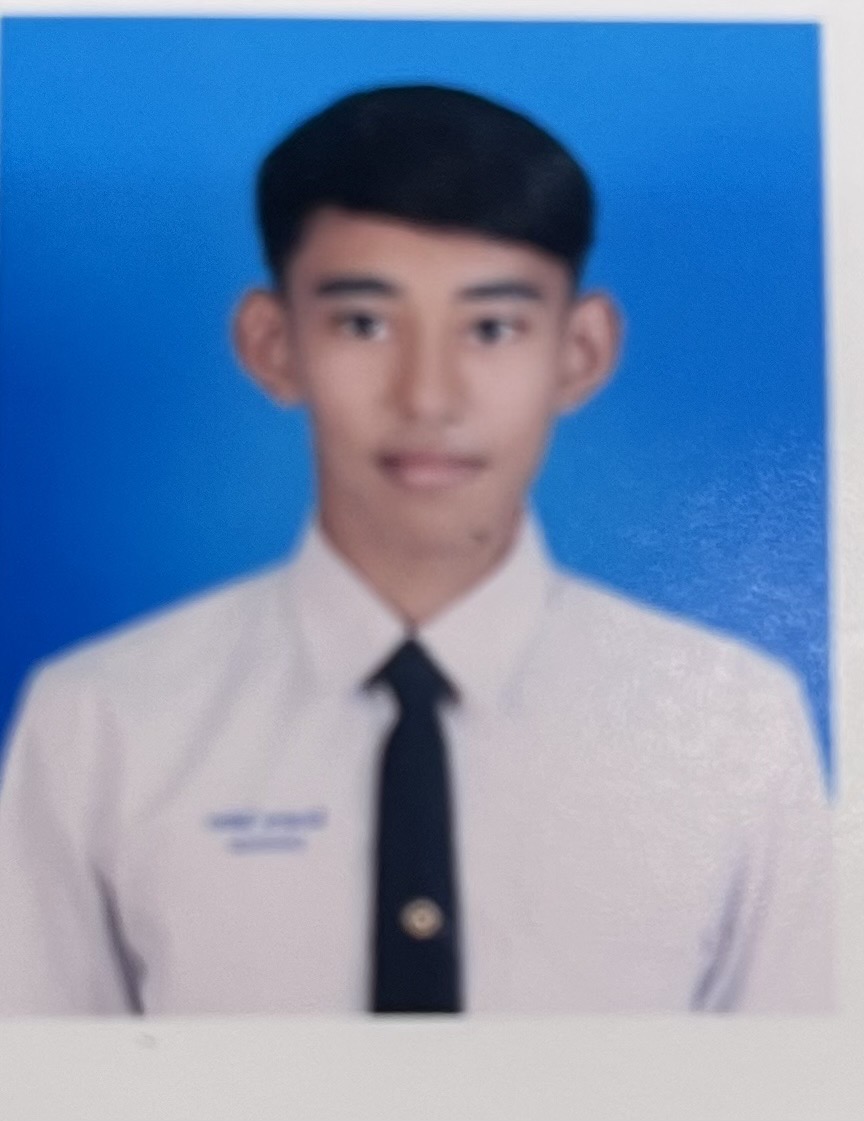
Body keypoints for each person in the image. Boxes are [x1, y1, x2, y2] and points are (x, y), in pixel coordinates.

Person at [0, 84, 833, 1015]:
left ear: (581, 352)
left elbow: (804, 1081)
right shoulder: (99, 723)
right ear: (272, 345)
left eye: (492, 328)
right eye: (364, 323)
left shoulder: (735, 724)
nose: (429, 396)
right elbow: (40, 1080)